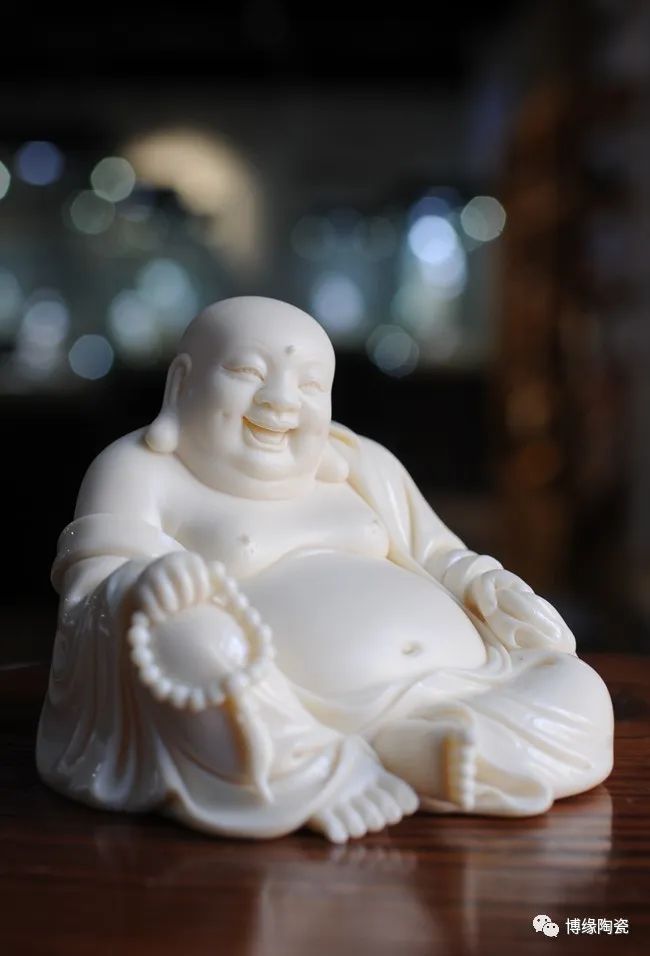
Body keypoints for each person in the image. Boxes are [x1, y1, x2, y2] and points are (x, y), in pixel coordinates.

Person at [37, 297, 614, 842]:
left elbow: (440, 553)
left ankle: (427, 747)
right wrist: (142, 586)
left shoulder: (362, 463)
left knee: (579, 689)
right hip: (279, 707)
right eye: (248, 372)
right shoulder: (142, 470)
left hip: (464, 684)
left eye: (310, 384)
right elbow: (89, 603)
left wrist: (486, 585)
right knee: (182, 636)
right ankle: (317, 767)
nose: (280, 401)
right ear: (182, 382)